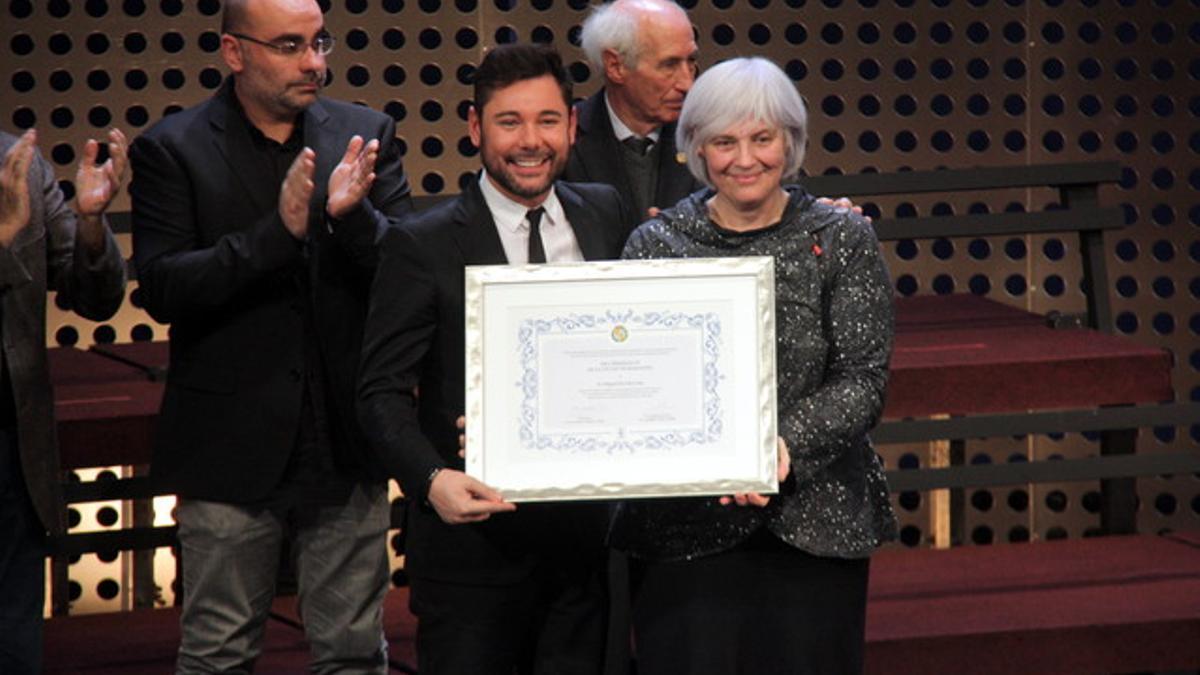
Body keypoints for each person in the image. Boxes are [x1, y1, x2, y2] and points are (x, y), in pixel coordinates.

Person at [128, 0, 412, 671]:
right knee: (219, 650)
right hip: (228, 443)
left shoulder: (365, 132)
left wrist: (353, 219)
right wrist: (274, 236)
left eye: (319, 43)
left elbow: (408, 270)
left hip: (343, 442)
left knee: (350, 650)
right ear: (234, 51)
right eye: (290, 46)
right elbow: (163, 286)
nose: (313, 62)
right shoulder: (173, 148)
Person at [610, 56, 898, 674]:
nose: (745, 158)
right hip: (682, 528)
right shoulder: (655, 247)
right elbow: (632, 384)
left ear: (789, 143)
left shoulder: (842, 238)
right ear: (694, 148)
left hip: (817, 520)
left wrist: (782, 445)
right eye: (724, 141)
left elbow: (863, 380)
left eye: (762, 138)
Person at [357, 44, 634, 675]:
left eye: (546, 121)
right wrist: (431, 481)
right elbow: (378, 395)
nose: (529, 141)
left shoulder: (606, 215)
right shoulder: (420, 245)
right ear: (477, 128)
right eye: (509, 122)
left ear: (572, 125)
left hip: (583, 559)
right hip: (469, 562)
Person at [0, 127, 128, 673]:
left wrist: (92, 221)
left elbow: (96, 299)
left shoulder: (18, 161)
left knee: (13, 638)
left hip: (11, 448)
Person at [568, 0, 703, 220]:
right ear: (615, 66)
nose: (687, 84)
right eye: (669, 65)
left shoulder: (707, 137)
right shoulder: (565, 141)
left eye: (691, 61)